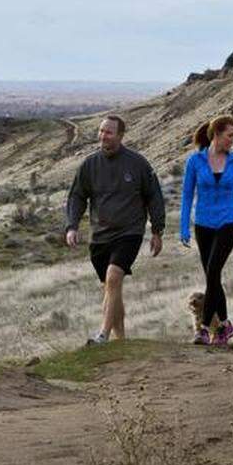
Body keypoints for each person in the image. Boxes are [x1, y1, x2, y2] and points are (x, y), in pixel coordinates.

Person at [64, 114, 166, 346]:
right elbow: (77, 197)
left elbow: (154, 197)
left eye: (109, 132)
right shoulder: (89, 164)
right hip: (100, 235)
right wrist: (72, 226)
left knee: (113, 278)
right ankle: (121, 341)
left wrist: (157, 230)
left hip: (129, 232)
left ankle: (103, 335)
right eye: (101, 131)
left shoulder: (137, 163)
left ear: (120, 135)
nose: (103, 136)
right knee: (112, 288)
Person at [179, 115, 233, 346]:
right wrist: (184, 226)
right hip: (203, 223)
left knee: (212, 272)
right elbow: (186, 195)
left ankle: (203, 329)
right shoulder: (195, 161)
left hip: (229, 222)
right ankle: (224, 326)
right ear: (216, 134)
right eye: (230, 135)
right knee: (213, 277)